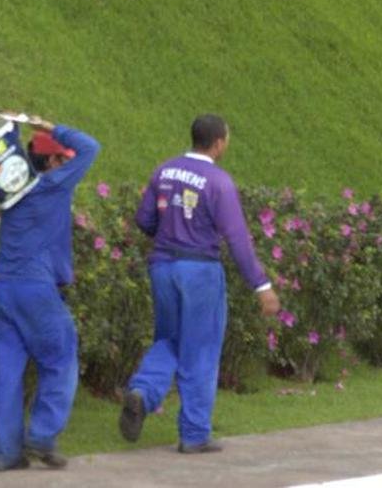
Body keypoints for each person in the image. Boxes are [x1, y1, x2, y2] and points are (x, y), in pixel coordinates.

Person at [119, 113, 279, 453]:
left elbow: (144, 218)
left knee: (170, 339)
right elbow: (236, 238)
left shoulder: (164, 170)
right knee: (201, 349)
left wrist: (167, 235)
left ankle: (142, 392)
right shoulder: (218, 181)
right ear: (219, 142)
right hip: (200, 271)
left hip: (163, 266)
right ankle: (193, 434)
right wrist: (261, 285)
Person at [0, 114, 100, 472]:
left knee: (5, 372)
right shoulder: (52, 186)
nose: (68, 163)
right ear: (51, 162)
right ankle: (43, 435)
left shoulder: (9, 190)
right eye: (62, 158)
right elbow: (90, 147)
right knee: (61, 358)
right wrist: (49, 127)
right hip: (35, 288)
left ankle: (4, 453)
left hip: (1, 289)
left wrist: (17, 134)